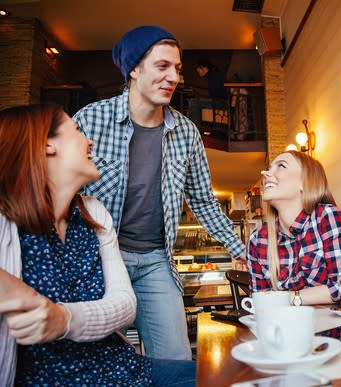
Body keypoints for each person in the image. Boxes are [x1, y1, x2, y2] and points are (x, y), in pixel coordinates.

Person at [73, 25, 245, 360]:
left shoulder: (187, 132)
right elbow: (64, 192)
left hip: (155, 261)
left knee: (176, 360)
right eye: (162, 66)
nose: (174, 77)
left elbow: (203, 201)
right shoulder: (91, 119)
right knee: (99, 363)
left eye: (178, 69)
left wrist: (242, 249)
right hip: (101, 259)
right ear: (134, 69)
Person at [0, 104, 195, 386]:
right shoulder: (6, 223)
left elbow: (125, 306)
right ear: (46, 145)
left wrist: (64, 318)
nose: (90, 141)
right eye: (77, 131)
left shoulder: (94, 212)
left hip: (123, 369)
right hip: (51, 379)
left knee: (228, 376)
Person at [247, 151, 341, 305]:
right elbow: (258, 302)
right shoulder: (257, 239)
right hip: (282, 327)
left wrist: (287, 298)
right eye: (268, 168)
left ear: (305, 182)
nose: (266, 174)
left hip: (331, 327)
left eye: (281, 166)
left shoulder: (327, 217)